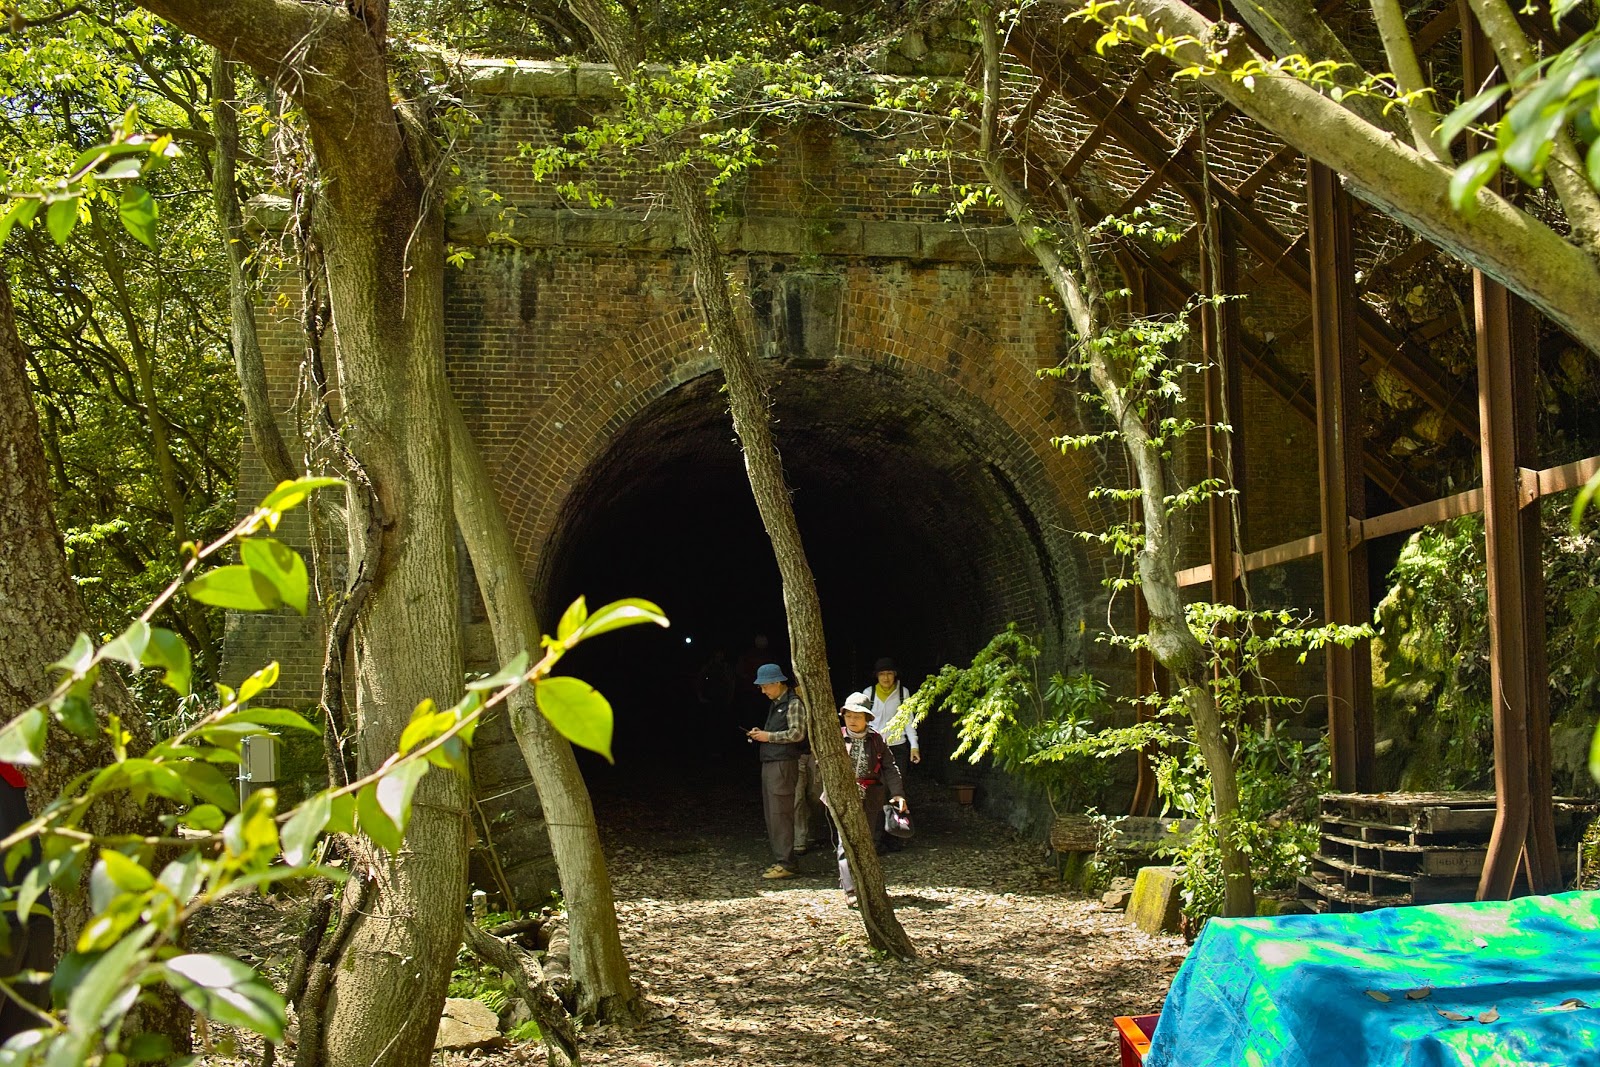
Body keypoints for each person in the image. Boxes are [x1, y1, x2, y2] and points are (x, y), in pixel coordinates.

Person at [828, 695, 908, 907]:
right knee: (845, 841)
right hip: (843, 796)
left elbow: (890, 767)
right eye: (848, 716)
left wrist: (898, 794)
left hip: (870, 795)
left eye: (857, 716)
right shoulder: (835, 737)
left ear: (867, 718)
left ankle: (866, 885)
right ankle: (850, 889)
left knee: (867, 840)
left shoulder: (876, 740)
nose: (852, 720)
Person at [746, 663, 806, 880]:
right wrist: (762, 734)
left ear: (777, 682)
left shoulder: (793, 703)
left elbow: (797, 733)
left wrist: (768, 736)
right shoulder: (777, 703)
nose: (763, 691)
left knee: (780, 814)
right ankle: (783, 860)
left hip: (783, 764)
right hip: (772, 762)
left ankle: (787, 863)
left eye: (765, 686)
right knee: (773, 814)